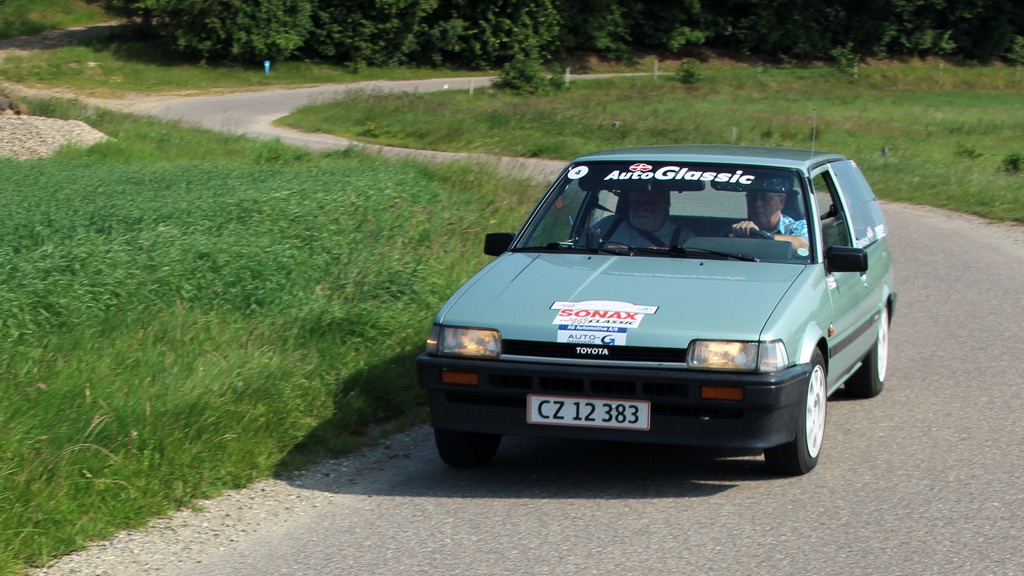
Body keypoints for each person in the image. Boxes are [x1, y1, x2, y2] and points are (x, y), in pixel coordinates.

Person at [595, 187, 694, 248]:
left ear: (666, 203)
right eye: (636, 203)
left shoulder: (683, 239)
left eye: (648, 203)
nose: (641, 209)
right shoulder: (608, 226)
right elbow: (581, 248)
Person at [730, 181, 809, 251]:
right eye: (752, 197)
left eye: (765, 198)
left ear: (781, 202)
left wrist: (760, 237)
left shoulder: (797, 226)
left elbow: (803, 244)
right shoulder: (738, 230)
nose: (757, 204)